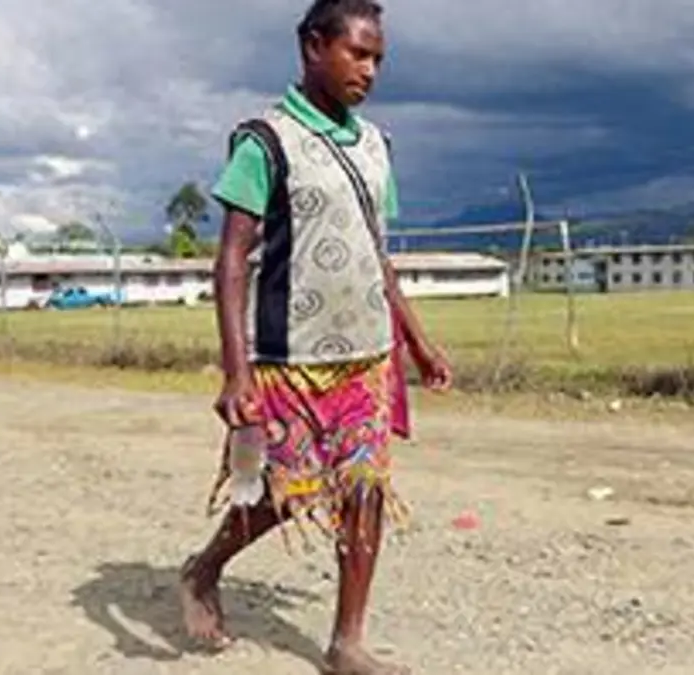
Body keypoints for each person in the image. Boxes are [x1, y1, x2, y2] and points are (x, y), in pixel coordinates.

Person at [178, 1, 451, 672]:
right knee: (282, 491)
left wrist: (416, 340)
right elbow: (231, 259)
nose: (370, 70)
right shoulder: (265, 141)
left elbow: (377, 254)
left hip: (366, 356)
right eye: (357, 53)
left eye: (378, 58)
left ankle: (346, 642)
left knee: (364, 488)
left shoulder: (376, 146)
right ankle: (203, 568)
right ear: (312, 46)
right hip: (287, 358)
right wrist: (236, 372)